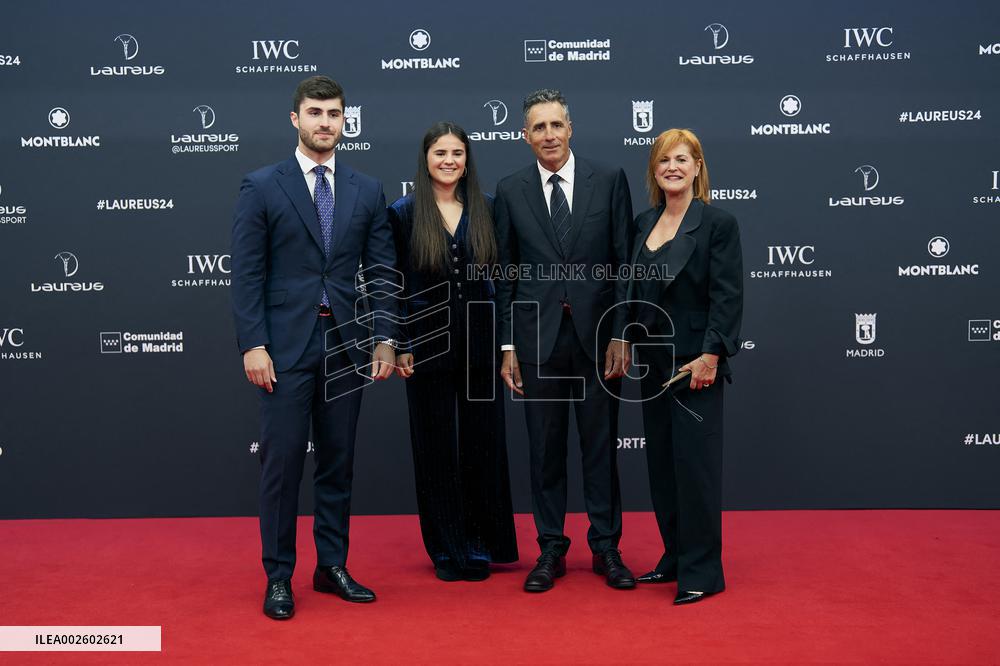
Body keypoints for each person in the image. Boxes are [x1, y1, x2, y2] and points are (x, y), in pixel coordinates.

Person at [231, 75, 399, 620]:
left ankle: (331, 567)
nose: (325, 122)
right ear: (295, 119)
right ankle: (278, 575)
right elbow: (247, 274)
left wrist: (385, 336)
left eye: (334, 113)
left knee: (338, 462)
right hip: (282, 347)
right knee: (282, 465)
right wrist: (253, 344)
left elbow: (381, 269)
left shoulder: (367, 189)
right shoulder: (261, 185)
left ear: (345, 120)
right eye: (315, 112)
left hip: (346, 343)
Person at [494, 89, 635, 592]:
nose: (549, 135)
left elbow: (624, 264)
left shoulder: (610, 180)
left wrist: (621, 331)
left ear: (571, 129)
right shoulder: (510, 191)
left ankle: (607, 548)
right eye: (539, 128)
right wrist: (508, 346)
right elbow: (506, 275)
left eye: (557, 125)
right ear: (525, 135)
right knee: (545, 450)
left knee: (600, 448)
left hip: (598, 339)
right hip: (539, 342)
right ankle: (550, 548)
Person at [387, 121, 518, 582]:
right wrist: (400, 343)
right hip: (425, 345)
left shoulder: (487, 209)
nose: (449, 160)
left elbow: (503, 281)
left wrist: (506, 344)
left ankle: (481, 543)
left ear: (468, 160)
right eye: (440, 152)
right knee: (435, 445)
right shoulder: (403, 213)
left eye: (458, 153)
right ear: (425, 159)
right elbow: (395, 284)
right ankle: (446, 548)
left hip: (482, 343)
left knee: (484, 442)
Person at [627, 128, 743, 605]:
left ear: (697, 167)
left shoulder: (718, 224)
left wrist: (713, 353)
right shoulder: (643, 223)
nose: (672, 167)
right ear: (654, 172)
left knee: (694, 469)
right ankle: (674, 556)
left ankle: (702, 571)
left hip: (695, 363)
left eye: (681, 159)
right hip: (652, 365)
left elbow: (727, 295)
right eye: (663, 161)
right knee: (662, 467)